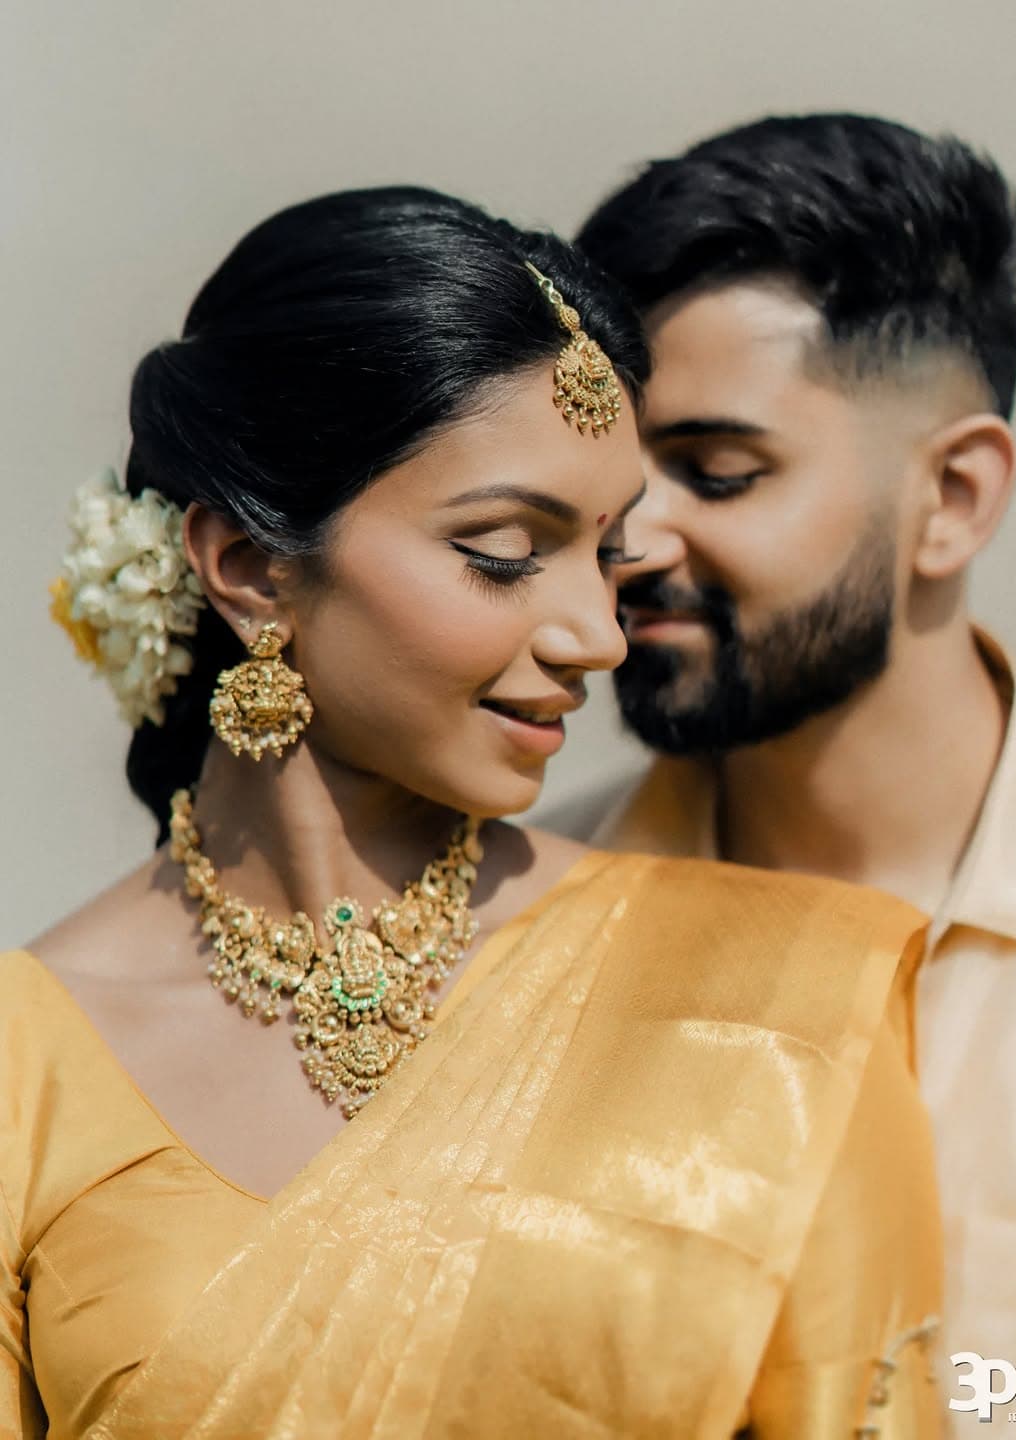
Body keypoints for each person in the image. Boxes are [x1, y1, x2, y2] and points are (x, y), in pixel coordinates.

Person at [2, 187, 944, 1438]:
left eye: (608, 555)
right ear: (246, 568)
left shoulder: (781, 1001)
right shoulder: (27, 1068)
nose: (599, 636)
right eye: (505, 551)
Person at [575, 113, 1016, 1418]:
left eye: (718, 471)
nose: (630, 543)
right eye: (608, 487)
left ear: (954, 498)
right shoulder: (525, 927)